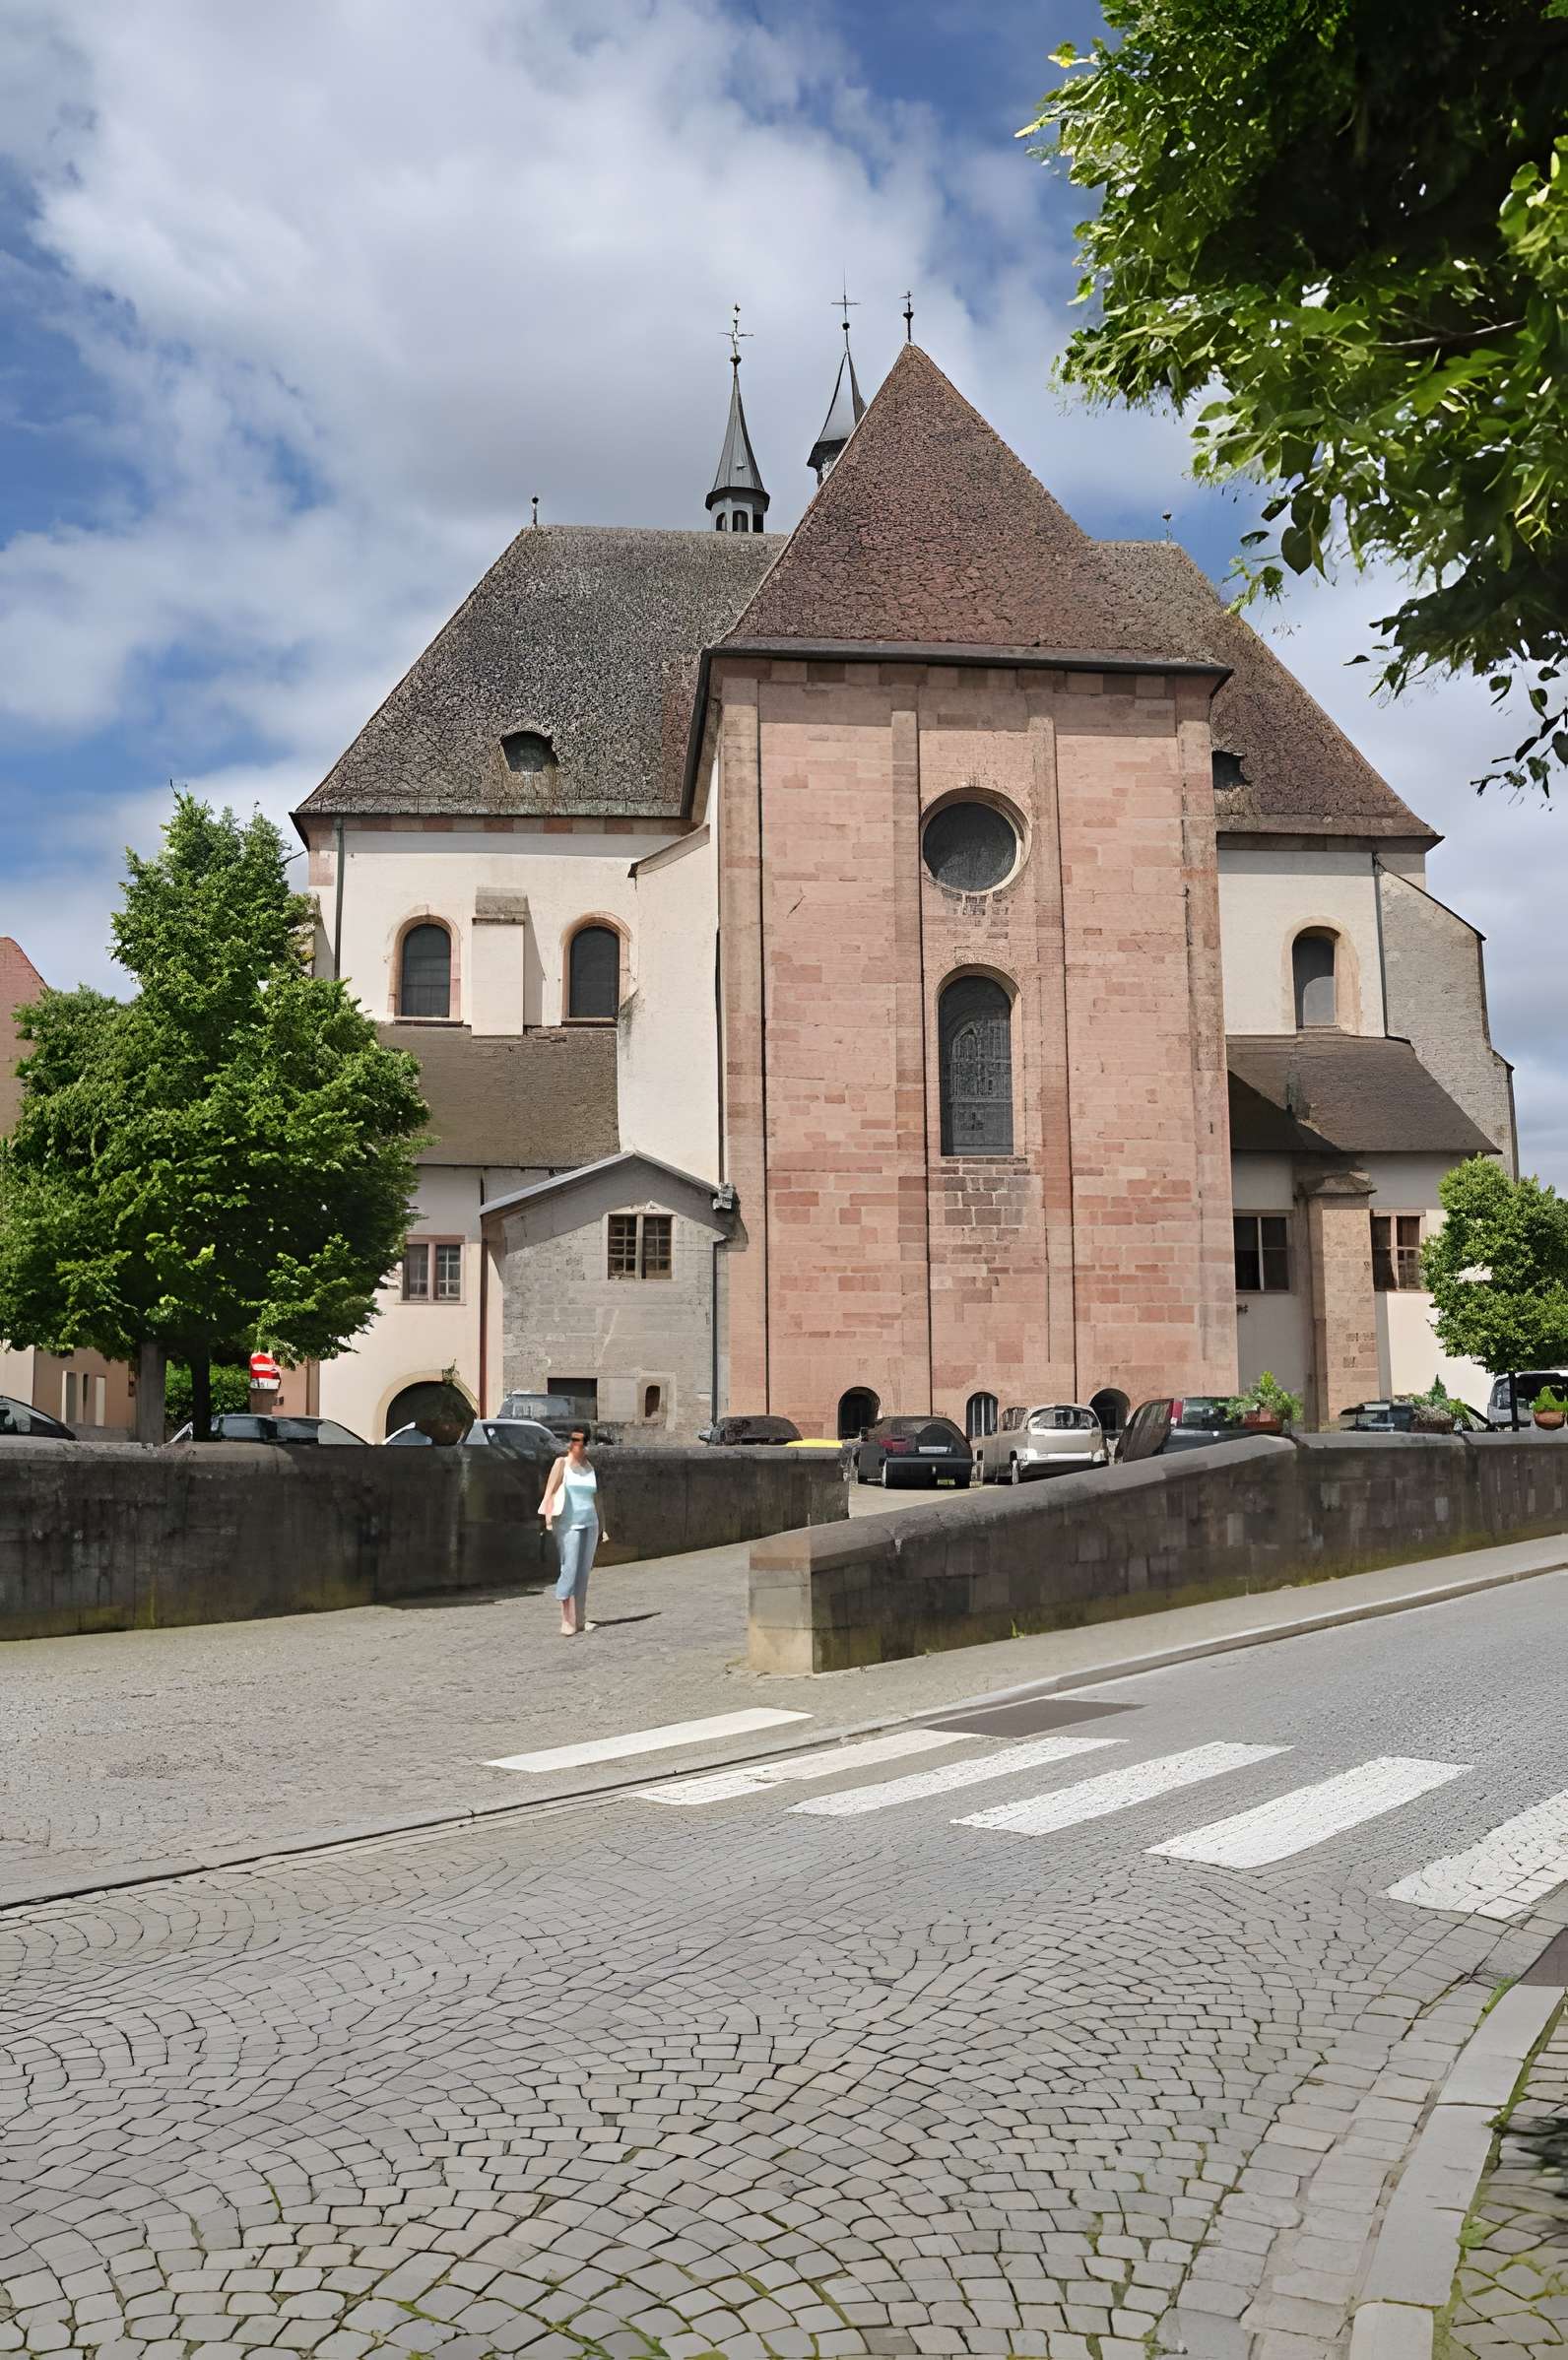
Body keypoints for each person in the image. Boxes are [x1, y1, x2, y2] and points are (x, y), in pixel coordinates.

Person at [540, 1425, 606, 1635]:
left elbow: (597, 1499)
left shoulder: (589, 1468)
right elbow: (549, 1493)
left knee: (583, 1573)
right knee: (569, 1570)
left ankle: (581, 1619)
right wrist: (549, 1521)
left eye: (581, 1442)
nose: (578, 1446)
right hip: (568, 1524)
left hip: (590, 1523)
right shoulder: (561, 1464)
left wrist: (603, 1526)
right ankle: (566, 1620)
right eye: (574, 1441)